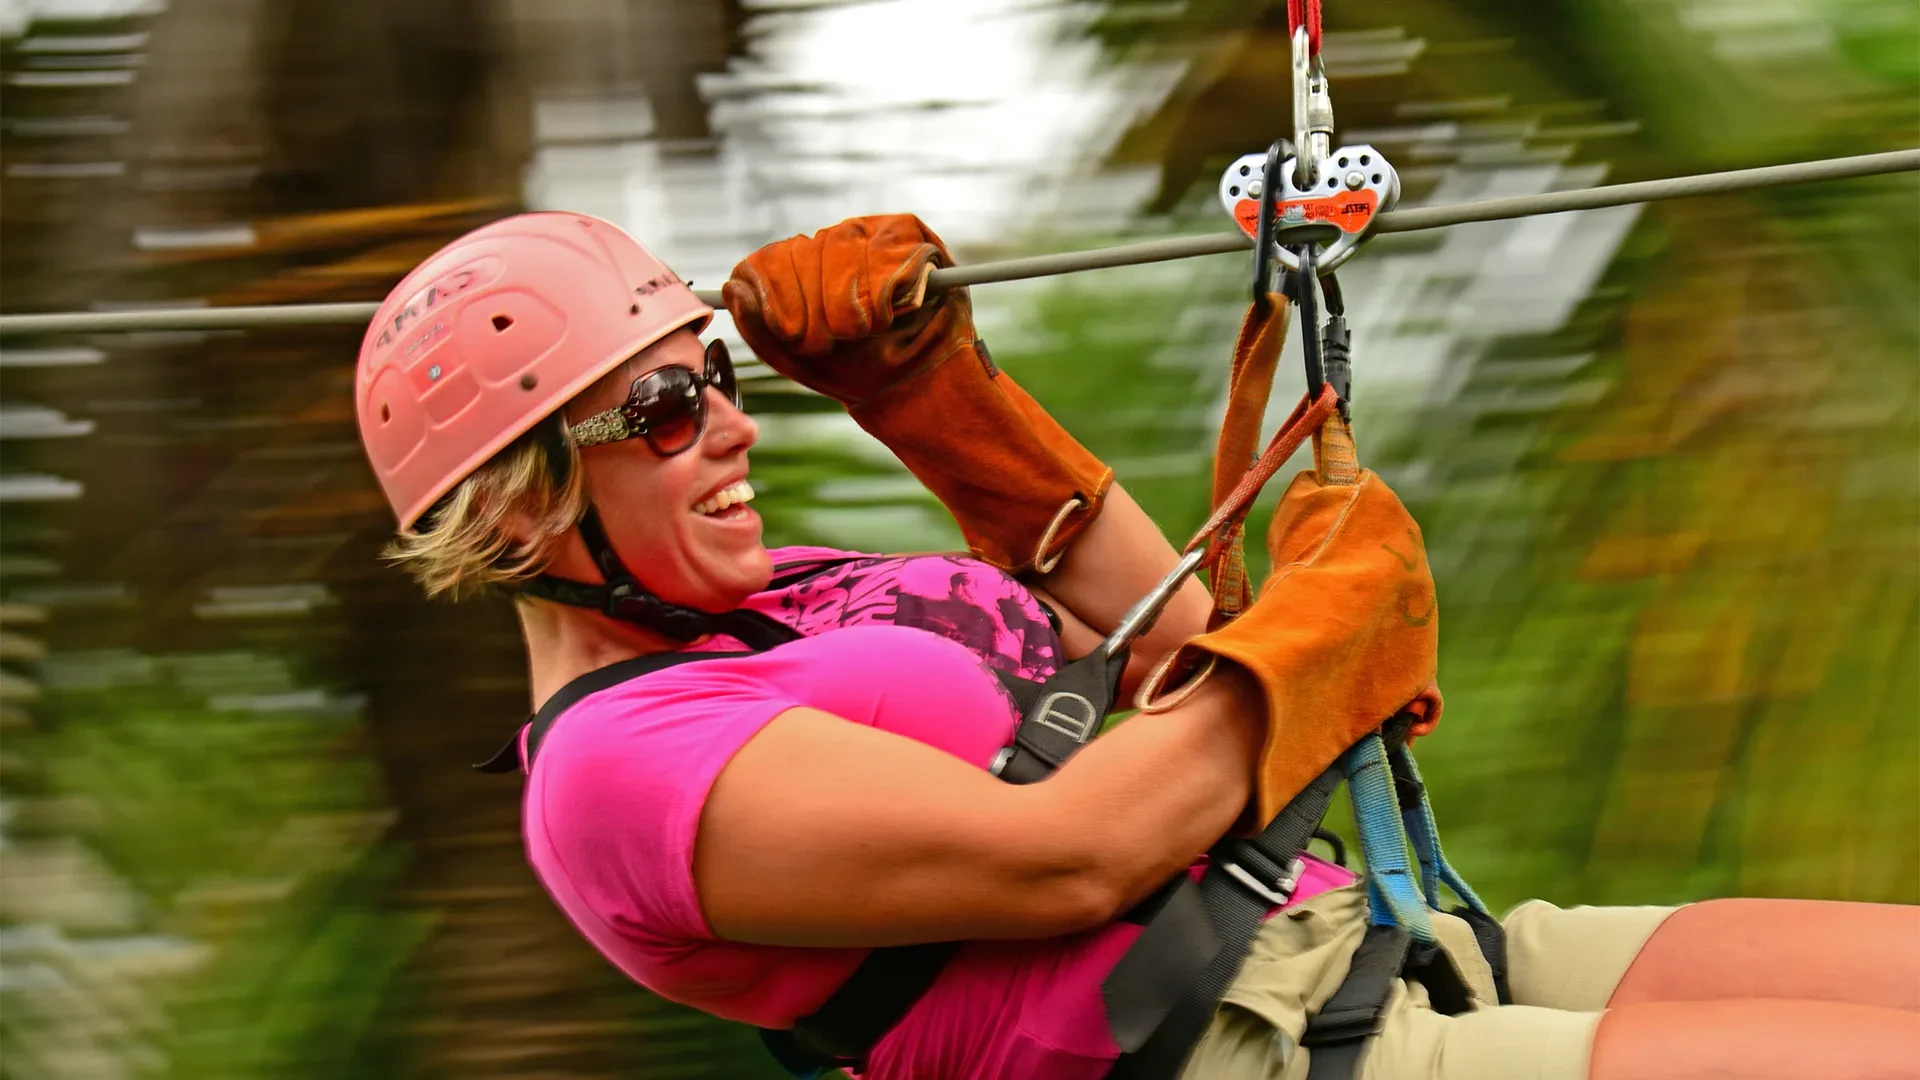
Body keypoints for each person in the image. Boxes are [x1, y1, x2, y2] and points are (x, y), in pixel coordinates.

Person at [353, 211, 1918, 1080]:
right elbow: (1070, 857)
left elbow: (1176, 637)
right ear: (518, 505)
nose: (728, 429)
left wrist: (936, 405)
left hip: (1366, 935)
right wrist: (1319, 635)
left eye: (717, 375)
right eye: (666, 408)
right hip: (1250, 1053)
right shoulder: (614, 777)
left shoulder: (780, 592)